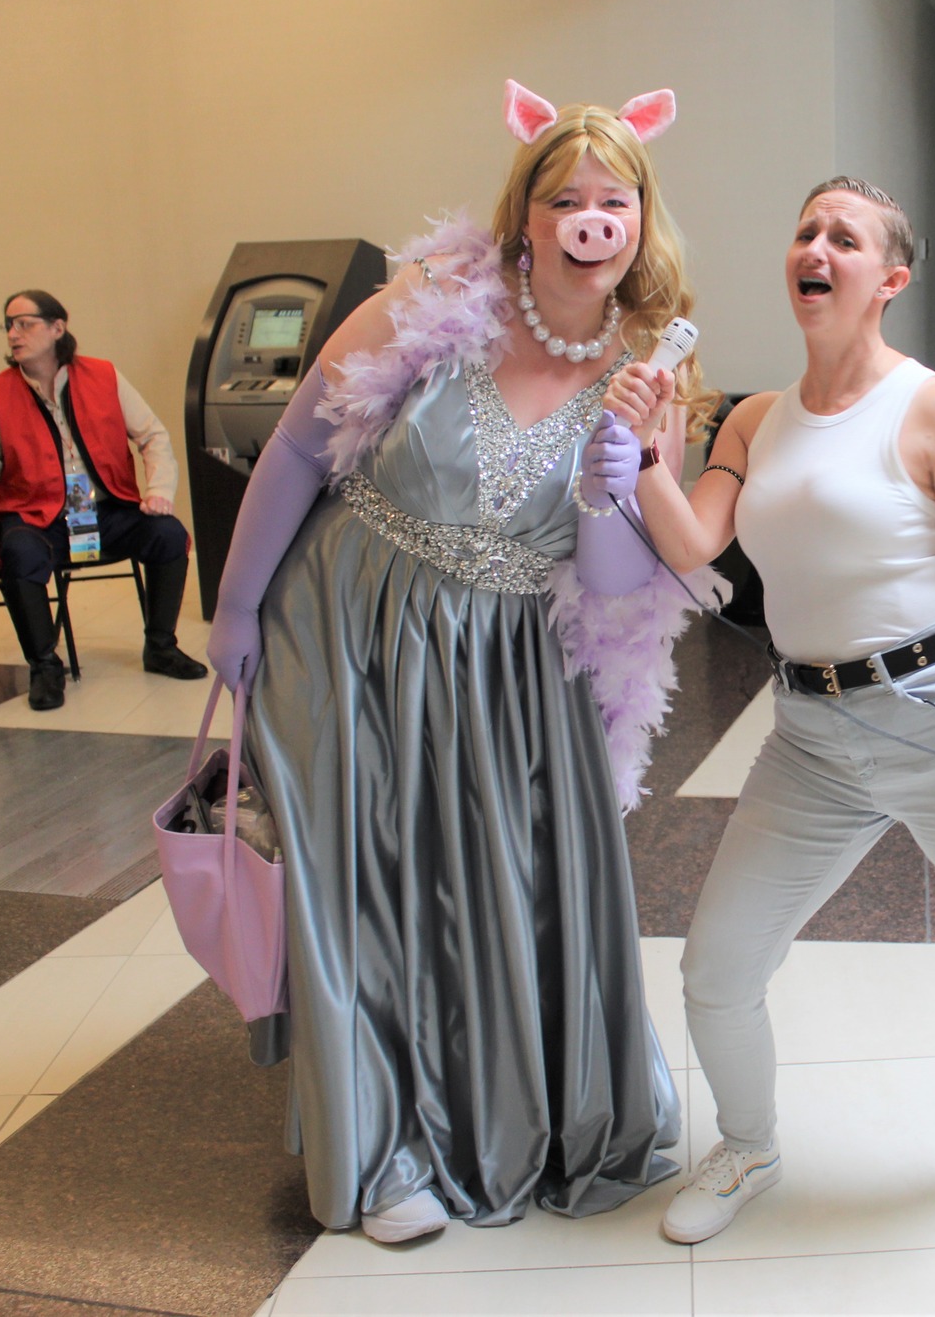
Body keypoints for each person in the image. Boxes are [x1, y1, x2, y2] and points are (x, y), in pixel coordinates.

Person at [202, 80, 715, 1243]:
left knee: (485, 888)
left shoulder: (650, 378)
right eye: (564, 199)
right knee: (362, 882)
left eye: (615, 200)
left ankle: (490, 1116)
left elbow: (616, 585)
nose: (591, 220)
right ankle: (384, 1149)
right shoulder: (428, 304)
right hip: (350, 630)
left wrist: (615, 480)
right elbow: (297, 451)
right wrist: (234, 609)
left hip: (508, 672)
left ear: (642, 219)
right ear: (523, 215)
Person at [609, 177, 935, 1243]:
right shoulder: (753, 420)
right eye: (805, 230)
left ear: (889, 278)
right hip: (809, 736)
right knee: (716, 967)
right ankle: (749, 1146)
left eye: (843, 238)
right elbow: (691, 544)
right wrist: (643, 452)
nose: (815, 247)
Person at [0, 291, 207, 709]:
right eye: (8, 325)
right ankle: (45, 667)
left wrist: (159, 491)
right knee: (20, 552)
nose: (13, 334)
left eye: (24, 323)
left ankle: (161, 647)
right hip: (36, 516)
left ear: (57, 327)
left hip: (104, 510)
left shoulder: (104, 375)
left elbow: (153, 435)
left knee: (168, 534)